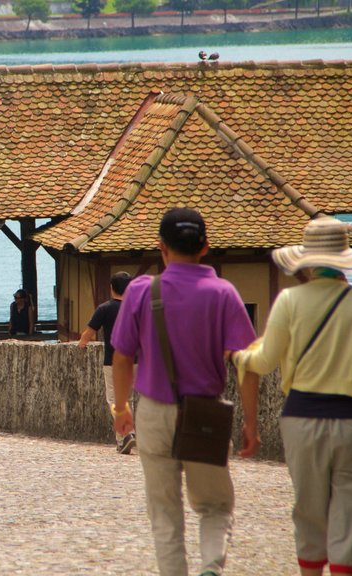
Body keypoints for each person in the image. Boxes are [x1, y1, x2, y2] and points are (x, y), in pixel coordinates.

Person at [232, 216, 352, 576]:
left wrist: (242, 357)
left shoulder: (289, 300)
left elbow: (266, 359)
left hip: (302, 416)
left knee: (309, 506)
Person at [111, 208, 260, 576]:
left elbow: (122, 356)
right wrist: (251, 422)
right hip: (205, 414)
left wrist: (120, 408)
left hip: (153, 412)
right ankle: (210, 566)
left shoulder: (142, 290)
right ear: (205, 247)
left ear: (161, 248)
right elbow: (248, 364)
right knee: (214, 505)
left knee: (164, 512)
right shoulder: (223, 293)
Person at [78, 271, 134, 454]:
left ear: (111, 288)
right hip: (135, 360)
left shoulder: (105, 308)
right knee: (129, 399)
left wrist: (82, 344)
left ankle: (127, 434)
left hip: (113, 361)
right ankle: (123, 439)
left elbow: (89, 332)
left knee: (114, 399)